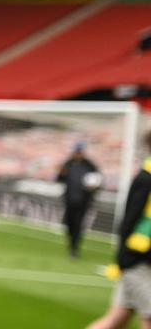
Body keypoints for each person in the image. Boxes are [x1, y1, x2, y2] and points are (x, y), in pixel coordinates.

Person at [86, 131, 151, 329]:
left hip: (139, 261)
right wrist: (125, 259)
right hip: (138, 261)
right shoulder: (146, 178)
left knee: (118, 317)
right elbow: (129, 220)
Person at [58, 140, 101, 258]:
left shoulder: (90, 166)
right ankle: (71, 244)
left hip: (84, 201)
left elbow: (98, 182)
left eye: (79, 151)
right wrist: (61, 174)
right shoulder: (68, 163)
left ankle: (74, 248)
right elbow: (60, 178)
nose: (77, 153)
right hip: (69, 199)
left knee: (78, 224)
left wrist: (93, 188)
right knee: (69, 223)